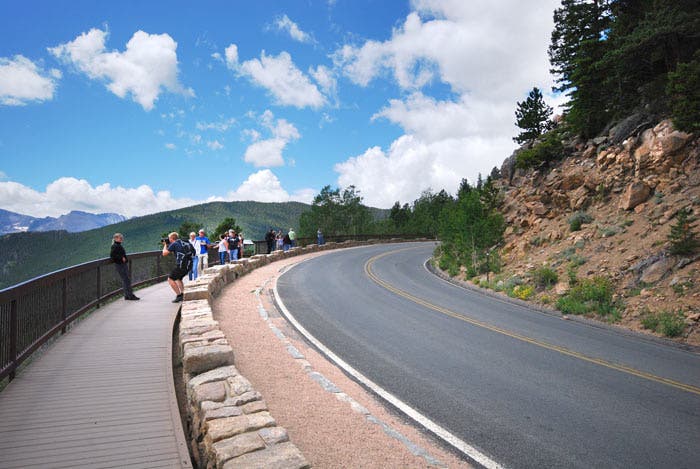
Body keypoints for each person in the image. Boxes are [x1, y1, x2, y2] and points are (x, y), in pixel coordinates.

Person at [162, 232, 194, 303]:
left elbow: (164, 253)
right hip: (188, 265)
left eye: (169, 238)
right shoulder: (182, 242)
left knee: (170, 279)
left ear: (171, 238)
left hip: (181, 265)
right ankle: (183, 294)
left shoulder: (174, 244)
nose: (168, 239)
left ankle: (179, 295)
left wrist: (165, 245)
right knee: (178, 278)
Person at [110, 233, 139, 300]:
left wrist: (123, 258)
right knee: (127, 280)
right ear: (115, 238)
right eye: (120, 238)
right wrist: (121, 258)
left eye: (122, 238)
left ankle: (127, 295)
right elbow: (112, 256)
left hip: (122, 264)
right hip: (120, 265)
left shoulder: (117, 245)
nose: (121, 239)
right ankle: (130, 295)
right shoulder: (115, 246)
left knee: (125, 280)